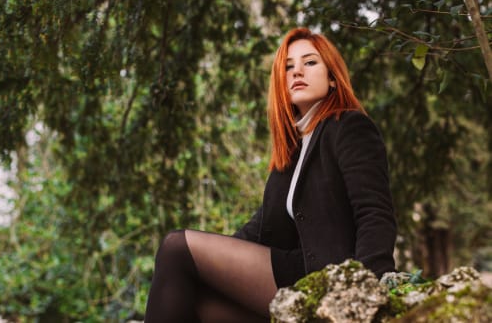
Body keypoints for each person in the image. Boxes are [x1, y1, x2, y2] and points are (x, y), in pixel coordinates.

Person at [144, 27, 397, 322]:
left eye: (310, 62)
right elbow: (258, 230)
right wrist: (212, 267)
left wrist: (366, 290)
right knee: (196, 303)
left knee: (176, 246)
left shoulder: (349, 127)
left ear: (332, 77)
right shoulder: (291, 151)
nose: (297, 71)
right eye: (288, 67)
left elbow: (374, 213)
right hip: (291, 281)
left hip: (327, 280)